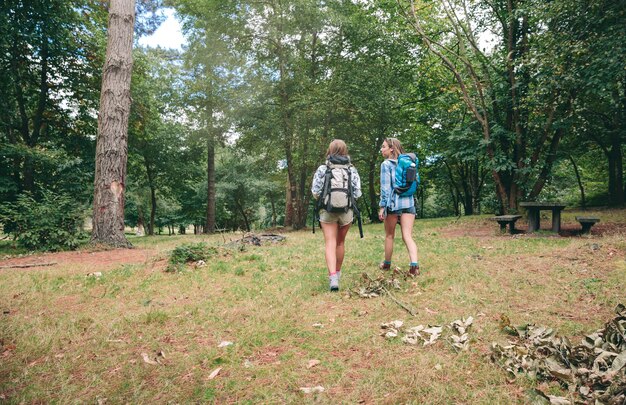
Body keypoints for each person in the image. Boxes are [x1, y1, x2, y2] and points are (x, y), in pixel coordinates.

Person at [311, 139, 362, 291]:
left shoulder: (322, 168)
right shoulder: (352, 169)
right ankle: (338, 274)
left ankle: (332, 278)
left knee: (330, 243)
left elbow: (315, 192)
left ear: (330, 150)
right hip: (346, 211)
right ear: (345, 151)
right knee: (340, 243)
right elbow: (357, 193)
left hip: (327, 211)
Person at [378, 137, 420, 276]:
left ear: (391, 149)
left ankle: (386, 264)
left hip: (393, 204)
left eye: (384, 146)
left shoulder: (386, 164)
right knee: (407, 235)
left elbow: (385, 188)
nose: (381, 149)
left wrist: (383, 206)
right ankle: (414, 266)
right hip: (409, 203)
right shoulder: (408, 162)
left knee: (389, 235)